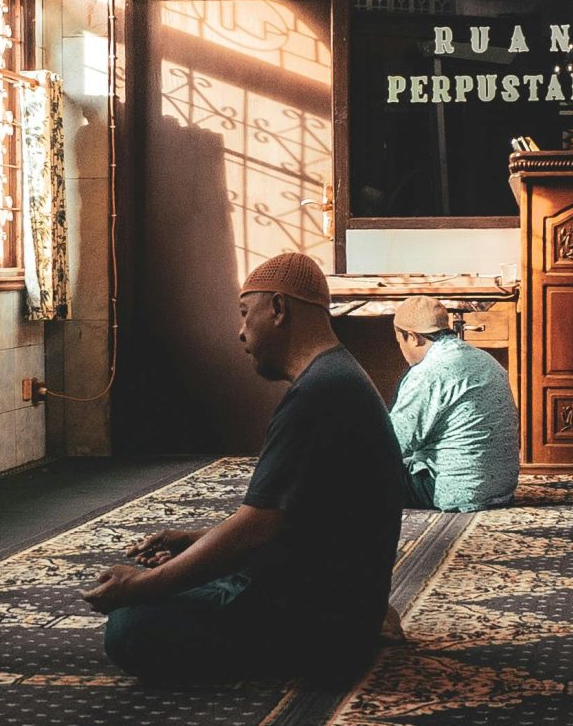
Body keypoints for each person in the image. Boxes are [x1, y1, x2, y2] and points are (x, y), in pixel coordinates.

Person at [84, 253, 405, 684]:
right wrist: (193, 542)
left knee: (132, 627)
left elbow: (256, 527)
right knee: (197, 576)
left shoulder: (318, 395)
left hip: (324, 625)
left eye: (244, 314)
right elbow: (298, 521)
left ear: (278, 308)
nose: (240, 332)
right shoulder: (337, 377)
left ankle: (307, 656)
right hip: (346, 601)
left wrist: (143, 585)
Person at [387, 296, 520, 512]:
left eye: (399, 341)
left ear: (413, 337)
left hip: (454, 490)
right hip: (500, 488)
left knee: (349, 474)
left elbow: (392, 443)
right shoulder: (486, 359)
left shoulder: (427, 373)